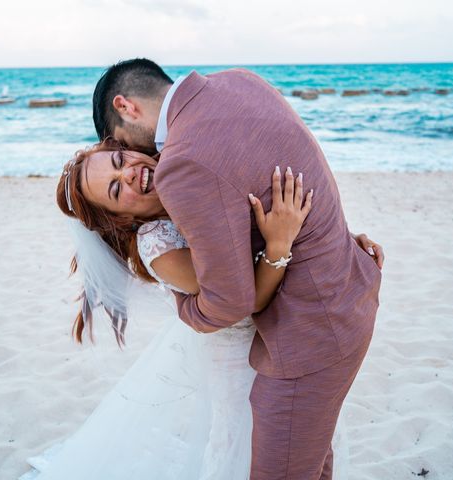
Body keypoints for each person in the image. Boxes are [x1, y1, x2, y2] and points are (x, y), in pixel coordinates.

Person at [19, 140, 382, 479]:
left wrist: (340, 244)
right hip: (243, 360)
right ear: (121, 219)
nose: (128, 173)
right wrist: (279, 242)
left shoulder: (192, 178)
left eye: (119, 161)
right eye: (116, 189)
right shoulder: (158, 246)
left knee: (309, 439)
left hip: (288, 333)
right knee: (248, 449)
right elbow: (246, 299)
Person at [92, 58, 383, 479]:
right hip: (350, 290)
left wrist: (184, 308)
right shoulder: (243, 80)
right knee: (313, 463)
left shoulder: (179, 163)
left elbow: (229, 303)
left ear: (126, 106)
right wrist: (335, 236)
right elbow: (296, 173)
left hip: (310, 335)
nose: (140, 156)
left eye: (124, 145)